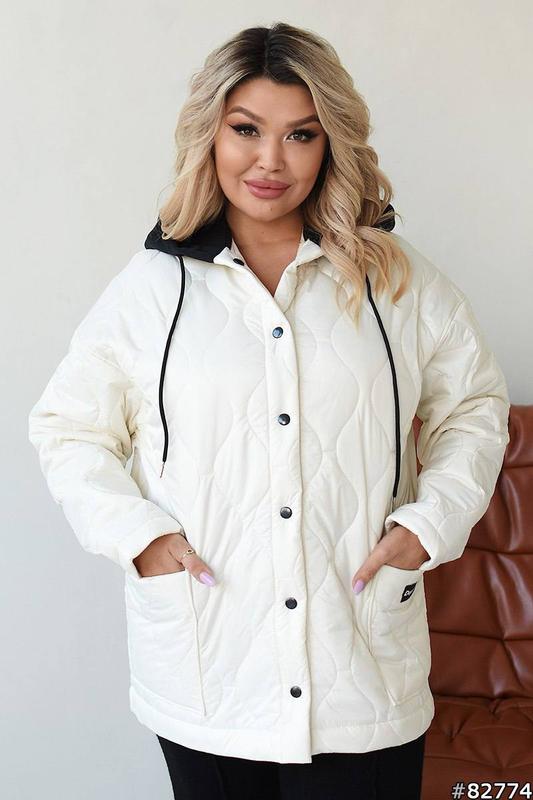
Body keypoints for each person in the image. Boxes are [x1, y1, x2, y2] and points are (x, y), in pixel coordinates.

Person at [27, 21, 510, 800]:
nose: (270, 161)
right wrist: (139, 539)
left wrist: (429, 525)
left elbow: (474, 406)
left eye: (300, 135)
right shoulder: (152, 288)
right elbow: (67, 427)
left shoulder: (397, 280)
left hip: (361, 672)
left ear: (330, 144)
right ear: (209, 134)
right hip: (207, 668)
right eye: (246, 129)